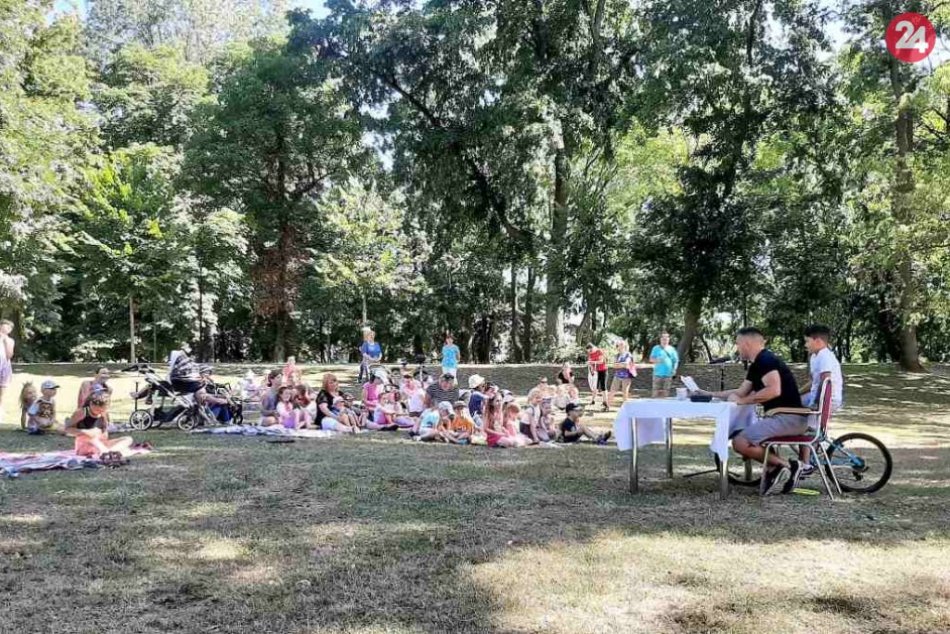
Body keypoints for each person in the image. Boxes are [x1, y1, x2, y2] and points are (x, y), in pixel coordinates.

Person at [700, 327, 808, 495]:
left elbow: (774, 390)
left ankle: (789, 467)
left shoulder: (766, 360)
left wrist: (743, 401)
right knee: (742, 439)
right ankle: (775, 468)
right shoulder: (757, 365)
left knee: (740, 442)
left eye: (737, 344)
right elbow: (740, 391)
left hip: (789, 418)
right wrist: (709, 394)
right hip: (782, 417)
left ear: (747, 343)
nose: (737, 348)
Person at [65, 393, 134, 458]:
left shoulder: (104, 413)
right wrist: (86, 432)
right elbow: (67, 429)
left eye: (102, 410)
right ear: (91, 404)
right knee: (91, 437)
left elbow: (105, 429)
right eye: (97, 409)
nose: (100, 412)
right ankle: (106, 452)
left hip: (102, 443)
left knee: (128, 439)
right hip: (86, 444)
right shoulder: (82, 412)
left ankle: (110, 452)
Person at [649, 332, 679, 397]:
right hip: (657, 374)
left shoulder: (672, 349)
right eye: (663, 338)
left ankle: (664, 406)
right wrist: (657, 360)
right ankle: (655, 406)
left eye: (666, 338)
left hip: (668, 374)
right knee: (655, 393)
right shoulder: (656, 348)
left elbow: (676, 361)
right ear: (660, 339)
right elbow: (651, 359)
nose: (665, 340)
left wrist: (674, 369)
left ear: (668, 339)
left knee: (666, 393)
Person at [609, 340, 637, 405]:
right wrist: (621, 365)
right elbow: (614, 366)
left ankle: (626, 407)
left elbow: (626, 364)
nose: (620, 346)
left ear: (625, 346)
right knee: (612, 391)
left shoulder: (628, 354)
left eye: (621, 345)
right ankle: (607, 406)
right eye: (618, 345)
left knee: (625, 392)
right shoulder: (617, 355)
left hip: (626, 376)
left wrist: (619, 364)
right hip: (617, 375)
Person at [586, 343, 609, 412]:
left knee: (603, 387)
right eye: (588, 351)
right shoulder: (590, 354)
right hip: (596, 372)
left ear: (593, 348)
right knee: (594, 387)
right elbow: (590, 363)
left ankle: (605, 402)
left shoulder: (599, 351)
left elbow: (601, 361)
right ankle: (593, 400)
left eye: (590, 351)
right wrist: (591, 367)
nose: (590, 352)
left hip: (603, 371)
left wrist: (592, 362)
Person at [0, 319, 14, 424]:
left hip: (4, 366)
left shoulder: (10, 340)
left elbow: (9, 355)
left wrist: (5, 342)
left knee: (2, 388)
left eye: (8, 328)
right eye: (3, 326)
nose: (5, 329)